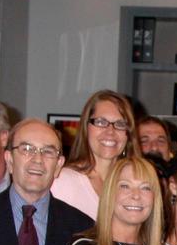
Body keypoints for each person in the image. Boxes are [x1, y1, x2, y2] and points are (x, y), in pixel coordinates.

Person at [51, 90, 136, 220]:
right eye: (101, 122)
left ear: (128, 133)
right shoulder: (62, 181)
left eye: (120, 124)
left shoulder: (137, 185)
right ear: (86, 127)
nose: (110, 131)